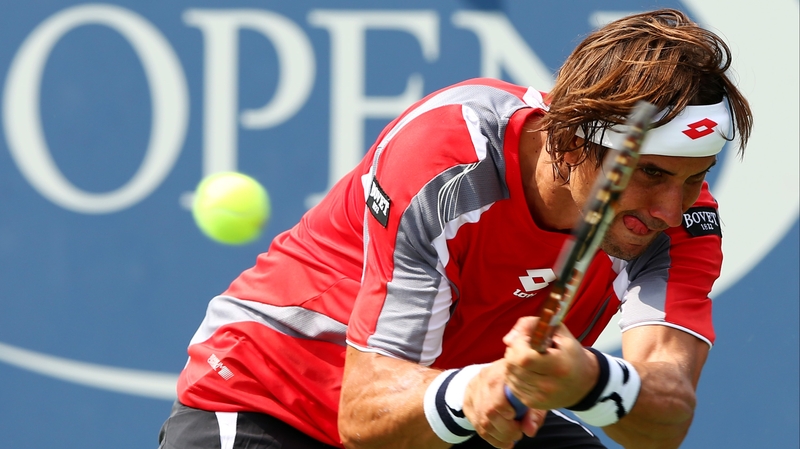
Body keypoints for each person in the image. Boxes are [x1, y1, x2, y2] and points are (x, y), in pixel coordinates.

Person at [158, 8, 752, 449]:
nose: (673, 207)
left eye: (697, 176)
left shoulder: (680, 223)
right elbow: (366, 414)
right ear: (572, 140)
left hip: (454, 412)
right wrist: (470, 392)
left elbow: (667, 412)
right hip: (274, 400)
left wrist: (590, 380)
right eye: (649, 172)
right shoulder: (449, 160)